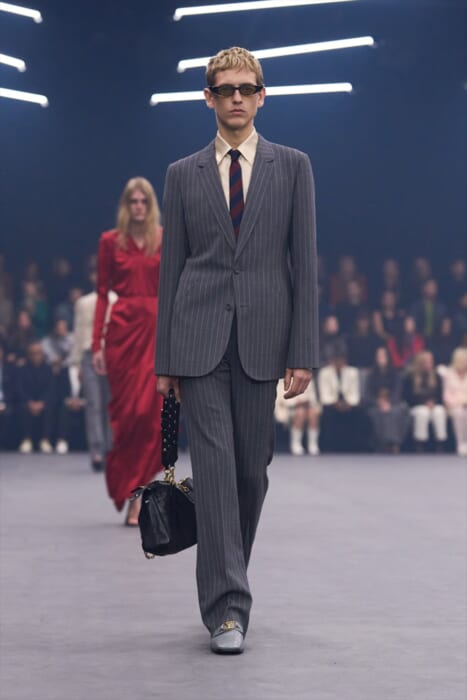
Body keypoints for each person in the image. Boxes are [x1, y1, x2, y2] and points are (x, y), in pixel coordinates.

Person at [155, 47, 318, 654]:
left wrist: (303, 350)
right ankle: (227, 607)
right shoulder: (182, 174)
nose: (237, 98)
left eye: (247, 88)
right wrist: (165, 361)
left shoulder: (293, 167)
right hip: (197, 340)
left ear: (262, 96)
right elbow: (171, 270)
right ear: (208, 98)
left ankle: (228, 576)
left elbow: (305, 262)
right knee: (217, 469)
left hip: (264, 341)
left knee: (251, 472)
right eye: (225, 89)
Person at [92, 177, 163, 524]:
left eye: (143, 202)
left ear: (150, 206)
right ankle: (132, 491)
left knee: (152, 418)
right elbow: (101, 294)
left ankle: (140, 498)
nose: (138, 207)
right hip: (122, 335)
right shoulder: (110, 241)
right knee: (128, 418)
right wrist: (97, 343)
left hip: (156, 333)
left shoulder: (163, 239)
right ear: (125, 205)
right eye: (133, 201)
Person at [70, 268, 115, 471]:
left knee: (110, 404)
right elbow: (79, 332)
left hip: (112, 355)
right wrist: (76, 361)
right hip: (89, 355)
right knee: (93, 404)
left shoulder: (117, 300)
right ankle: (97, 451)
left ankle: (109, 450)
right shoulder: (83, 302)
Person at [363, 346, 410, 453]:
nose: (381, 358)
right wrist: (378, 402)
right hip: (375, 404)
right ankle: (382, 443)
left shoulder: (395, 373)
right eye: (379, 356)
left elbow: (398, 392)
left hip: (393, 403)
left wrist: (389, 402)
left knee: (395, 412)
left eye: (383, 355)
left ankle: (394, 443)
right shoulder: (371, 374)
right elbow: (367, 395)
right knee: (376, 414)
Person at [403, 350, 448, 452]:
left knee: (439, 411)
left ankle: (440, 442)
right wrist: (424, 403)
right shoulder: (410, 377)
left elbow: (440, 394)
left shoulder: (436, 376)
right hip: (416, 406)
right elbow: (408, 397)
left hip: (434, 405)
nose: (429, 364)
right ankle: (420, 443)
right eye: (426, 362)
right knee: (423, 412)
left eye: (430, 361)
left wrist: (433, 403)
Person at [17, 341, 55, 454]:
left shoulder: (48, 369)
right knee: (22, 406)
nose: (36, 356)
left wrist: (42, 402)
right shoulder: (22, 369)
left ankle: (45, 440)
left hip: (43, 401)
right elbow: (20, 389)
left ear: (42, 354)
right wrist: (29, 402)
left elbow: (51, 389)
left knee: (50, 406)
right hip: (28, 401)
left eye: (38, 353)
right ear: (29, 355)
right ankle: (26, 439)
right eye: (33, 353)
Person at [275, 375, 321, 456]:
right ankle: (296, 444)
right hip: (288, 409)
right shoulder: (282, 380)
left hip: (306, 407)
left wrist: (306, 402)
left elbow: (312, 399)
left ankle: (313, 444)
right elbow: (280, 398)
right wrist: (296, 403)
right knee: (300, 413)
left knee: (313, 413)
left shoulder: (307, 379)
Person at [442, 348, 467, 456]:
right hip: (454, 405)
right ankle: (460, 443)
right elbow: (446, 394)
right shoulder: (449, 373)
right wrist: (459, 403)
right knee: (459, 413)